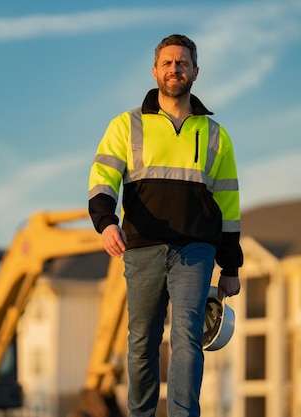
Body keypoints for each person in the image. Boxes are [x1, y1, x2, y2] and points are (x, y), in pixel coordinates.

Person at [87, 34, 243, 417]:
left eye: (183, 63)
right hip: (141, 247)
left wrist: (231, 266)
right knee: (142, 342)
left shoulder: (215, 136)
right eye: (168, 62)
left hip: (196, 249)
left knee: (187, 336)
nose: (176, 69)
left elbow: (228, 205)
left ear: (195, 72)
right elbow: (102, 178)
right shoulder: (126, 125)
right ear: (155, 70)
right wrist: (106, 223)